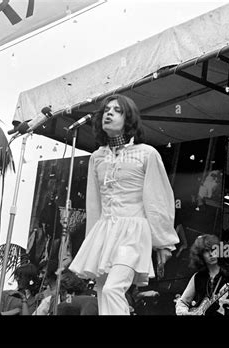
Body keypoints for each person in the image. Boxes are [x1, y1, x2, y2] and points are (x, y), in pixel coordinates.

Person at [69, 94, 179, 315]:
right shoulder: (96, 158)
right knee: (101, 292)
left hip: (134, 232)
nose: (109, 113)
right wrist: (92, 241)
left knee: (112, 289)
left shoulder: (146, 153)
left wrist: (164, 243)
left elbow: (158, 199)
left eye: (117, 110)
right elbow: (94, 204)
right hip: (105, 231)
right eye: (106, 110)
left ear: (128, 119)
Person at [175, 234, 229, 316]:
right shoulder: (197, 277)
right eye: (206, 251)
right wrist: (186, 313)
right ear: (200, 255)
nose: (211, 254)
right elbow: (182, 302)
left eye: (213, 250)